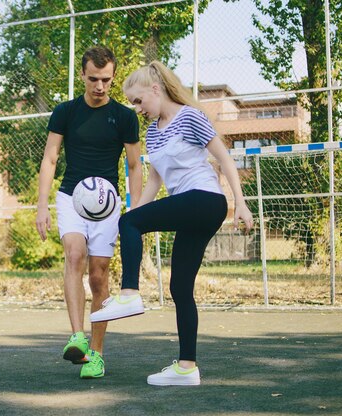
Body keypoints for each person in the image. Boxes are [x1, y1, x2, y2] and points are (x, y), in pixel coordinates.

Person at [90, 61, 254, 386]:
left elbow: (223, 157)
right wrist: (131, 219)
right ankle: (187, 367)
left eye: (139, 101)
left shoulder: (190, 116)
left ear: (155, 90)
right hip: (192, 208)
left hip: (205, 199)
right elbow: (154, 182)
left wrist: (241, 203)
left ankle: (129, 293)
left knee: (131, 224)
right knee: (180, 288)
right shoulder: (153, 133)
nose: (137, 109)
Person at [36, 46, 142, 379]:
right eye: (93, 78)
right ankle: (76, 337)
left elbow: (136, 165)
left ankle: (96, 355)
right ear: (82, 75)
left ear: (113, 78)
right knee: (74, 254)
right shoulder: (65, 112)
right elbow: (50, 158)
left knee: (98, 276)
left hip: (107, 204)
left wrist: (136, 209)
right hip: (70, 197)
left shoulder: (125, 117)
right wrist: (42, 204)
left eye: (106, 80)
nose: (99, 86)